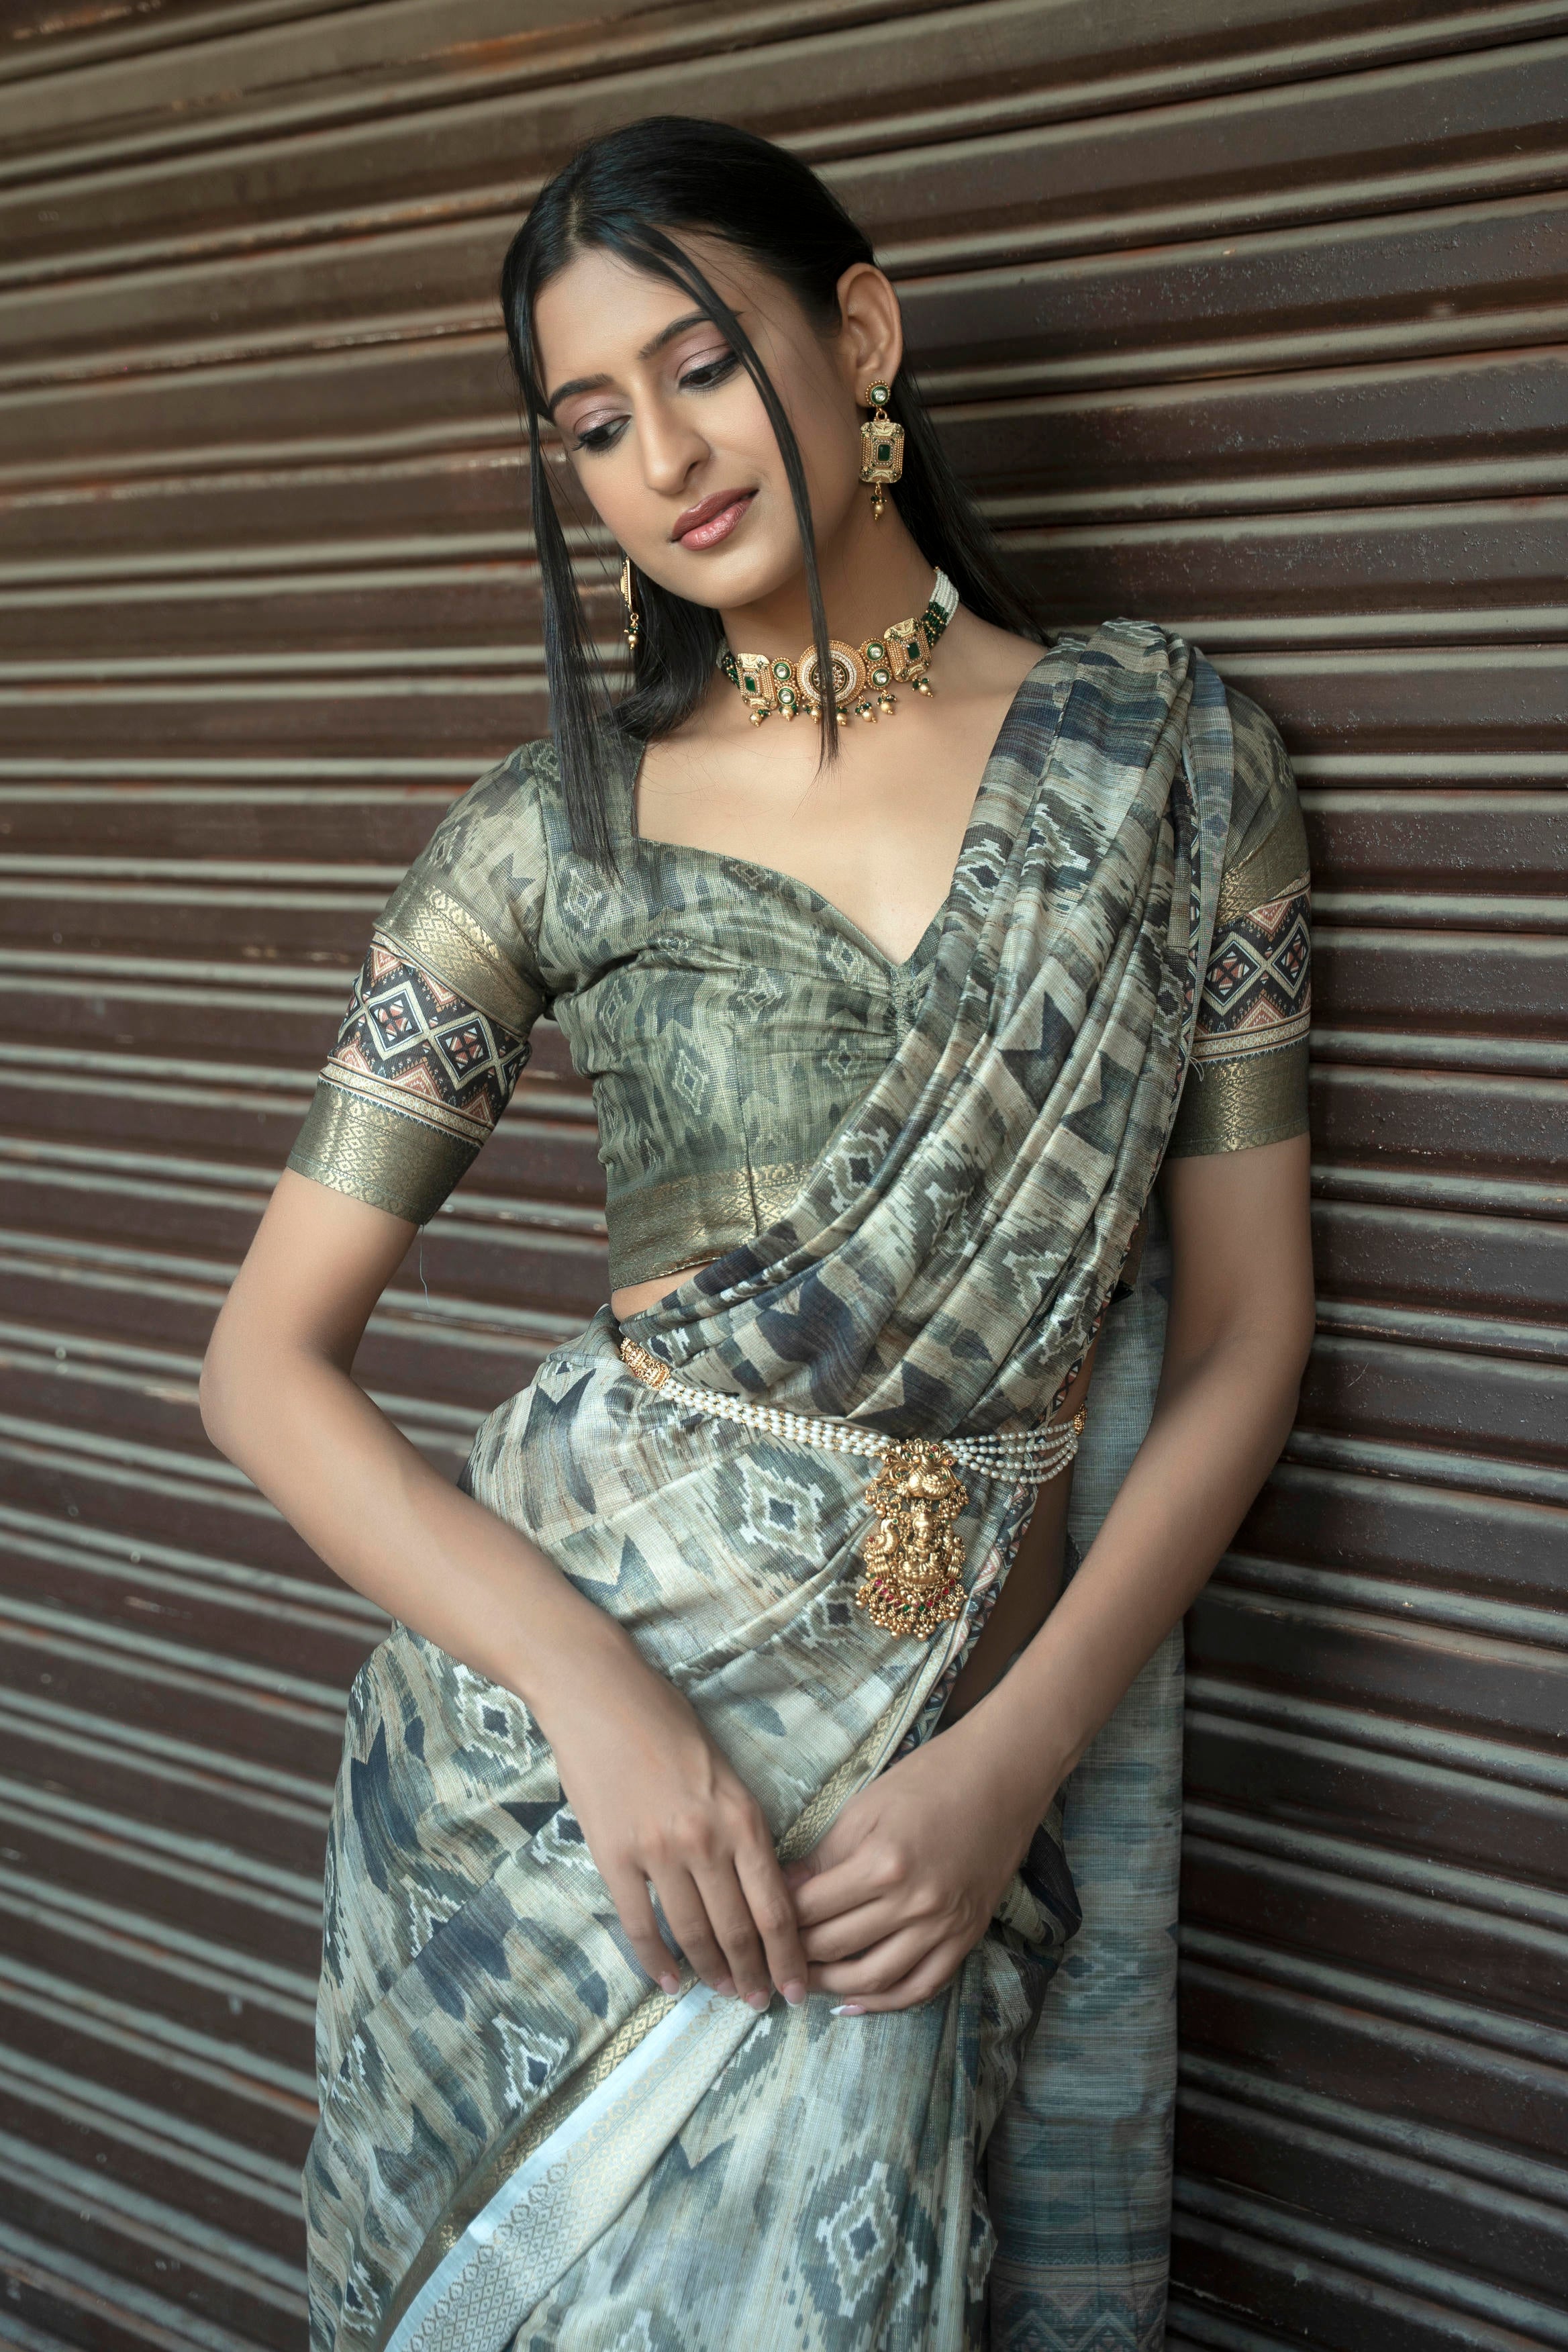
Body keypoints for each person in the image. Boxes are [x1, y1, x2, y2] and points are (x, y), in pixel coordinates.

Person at [200, 115, 1315, 2352]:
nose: (663, 458)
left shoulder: (1170, 772)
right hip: (555, 1813)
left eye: (701, 364)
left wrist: (1014, 1758)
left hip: (938, 1771)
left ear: (862, 331)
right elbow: (261, 1369)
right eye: (593, 424)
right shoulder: (547, 838)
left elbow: (1245, 1333)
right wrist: (592, 1694)